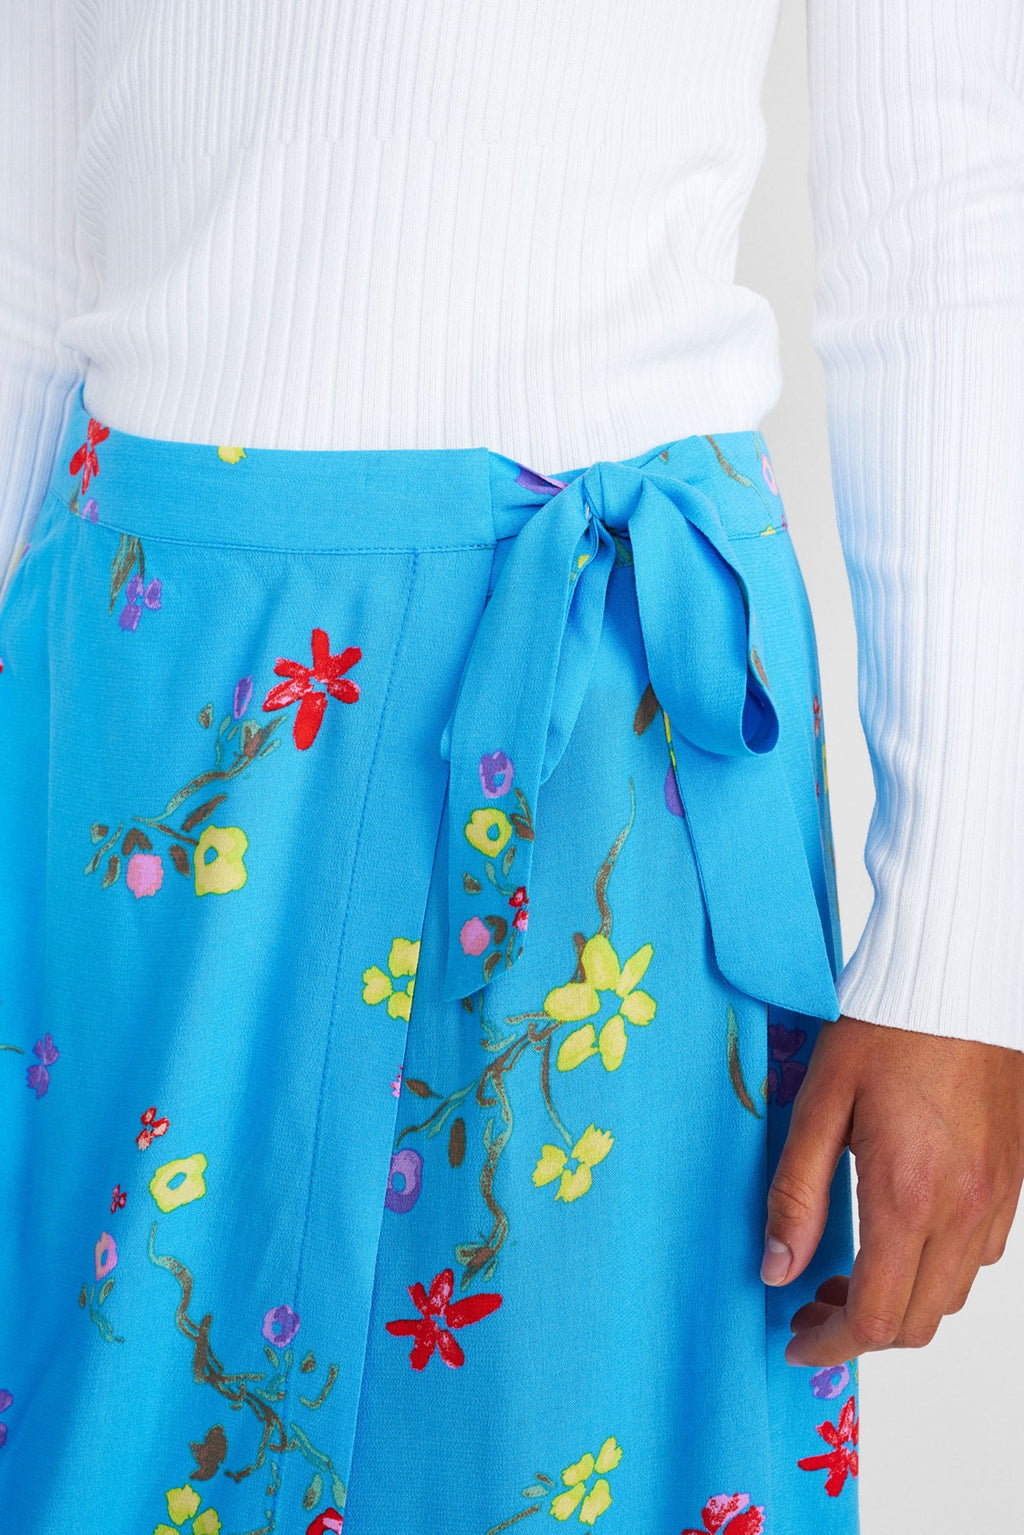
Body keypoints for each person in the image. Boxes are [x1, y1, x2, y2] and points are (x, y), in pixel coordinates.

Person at [0, 2, 1022, 1531]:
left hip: (609, 728)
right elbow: (29, 210)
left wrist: (959, 955)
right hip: (142, 700)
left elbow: (939, 200)